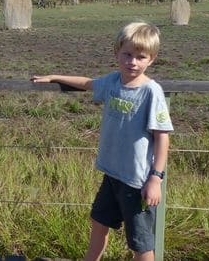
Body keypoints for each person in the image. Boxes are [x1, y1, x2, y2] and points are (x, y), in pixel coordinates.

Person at [31, 22, 173, 261]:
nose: (132, 62)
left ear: (152, 59)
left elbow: (162, 137)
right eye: (127, 54)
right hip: (112, 175)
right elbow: (88, 83)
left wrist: (155, 178)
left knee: (140, 242)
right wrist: (54, 77)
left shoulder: (151, 91)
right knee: (99, 222)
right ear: (117, 53)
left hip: (137, 181)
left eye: (141, 57)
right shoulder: (113, 81)